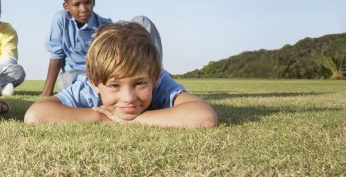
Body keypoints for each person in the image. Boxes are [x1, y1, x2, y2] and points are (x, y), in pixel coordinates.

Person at [25, 21, 217, 128]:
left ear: (154, 77)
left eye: (139, 84)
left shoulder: (159, 79)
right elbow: (35, 115)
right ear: (95, 83)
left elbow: (205, 116)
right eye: (115, 86)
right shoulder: (87, 87)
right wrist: (101, 117)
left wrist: (134, 120)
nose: (128, 98)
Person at [40, 0, 163, 96]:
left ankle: (156, 78)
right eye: (76, 4)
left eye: (87, 3)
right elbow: (57, 57)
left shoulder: (105, 26)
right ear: (66, 6)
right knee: (75, 82)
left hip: (102, 74)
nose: (83, 9)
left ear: (93, 1)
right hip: (75, 75)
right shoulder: (61, 20)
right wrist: (46, 92)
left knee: (142, 21)